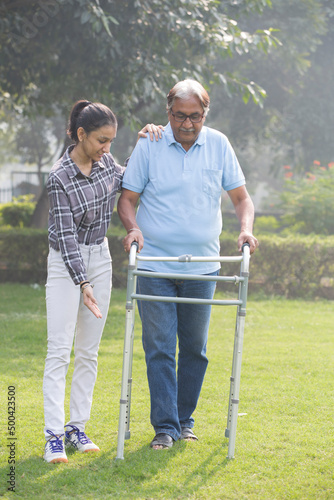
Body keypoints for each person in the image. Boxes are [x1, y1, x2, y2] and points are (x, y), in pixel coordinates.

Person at [117, 79, 258, 450]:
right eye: (180, 116)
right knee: (160, 346)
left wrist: (245, 231)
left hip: (204, 267)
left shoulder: (219, 145)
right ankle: (165, 427)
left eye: (195, 116)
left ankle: (184, 421)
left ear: (205, 114)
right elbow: (127, 199)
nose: (187, 124)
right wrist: (132, 229)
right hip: (155, 264)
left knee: (195, 348)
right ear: (168, 113)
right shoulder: (149, 143)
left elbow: (242, 199)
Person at [43, 99, 162, 463]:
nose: (107, 148)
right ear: (80, 134)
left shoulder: (106, 163)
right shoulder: (59, 177)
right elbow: (64, 238)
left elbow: (128, 177)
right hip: (66, 264)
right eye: (100, 140)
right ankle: (53, 436)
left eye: (111, 141)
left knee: (89, 352)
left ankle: (77, 428)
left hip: (100, 257)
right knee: (60, 351)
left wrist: (143, 142)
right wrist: (83, 282)